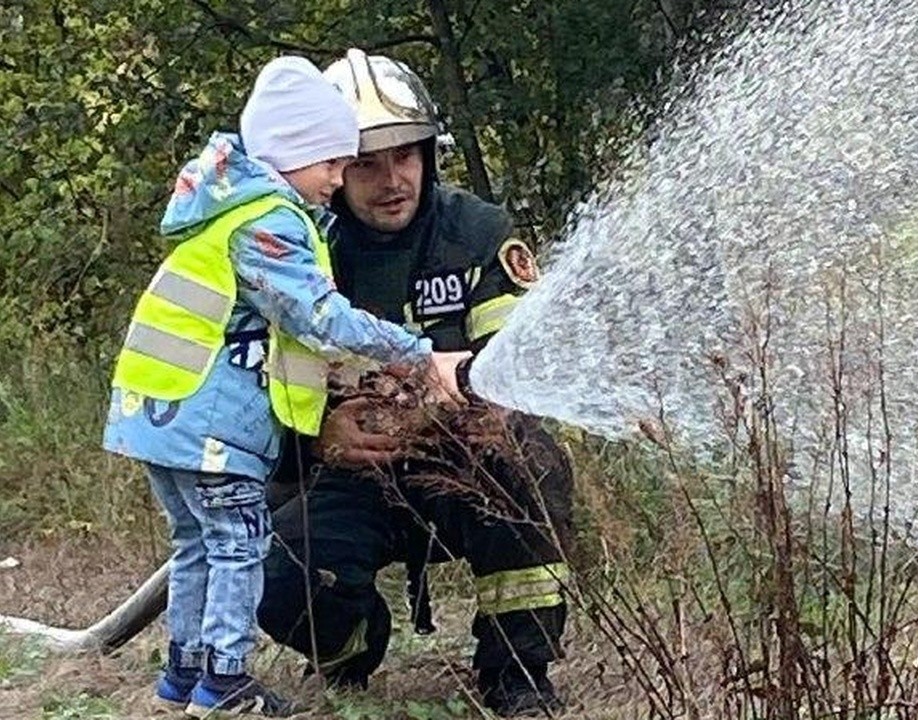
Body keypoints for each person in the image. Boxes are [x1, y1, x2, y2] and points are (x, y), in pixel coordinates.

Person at [103, 56, 469, 718]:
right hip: (210, 426)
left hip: (158, 415)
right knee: (239, 545)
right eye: (332, 161)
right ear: (293, 153)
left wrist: (359, 376)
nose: (339, 176)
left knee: (195, 547)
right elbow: (318, 316)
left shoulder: (223, 213)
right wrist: (419, 354)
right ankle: (225, 685)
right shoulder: (270, 220)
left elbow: (280, 342)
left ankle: (181, 676)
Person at [257, 49, 574, 717]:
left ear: (431, 154)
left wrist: (448, 403)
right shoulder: (295, 251)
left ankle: (517, 675)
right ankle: (352, 645)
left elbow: (522, 365)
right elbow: (256, 391)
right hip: (354, 474)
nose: (391, 179)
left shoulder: (478, 235)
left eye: (405, 154)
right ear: (333, 170)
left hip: (468, 461)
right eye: (365, 163)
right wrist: (314, 436)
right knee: (277, 569)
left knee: (533, 462)